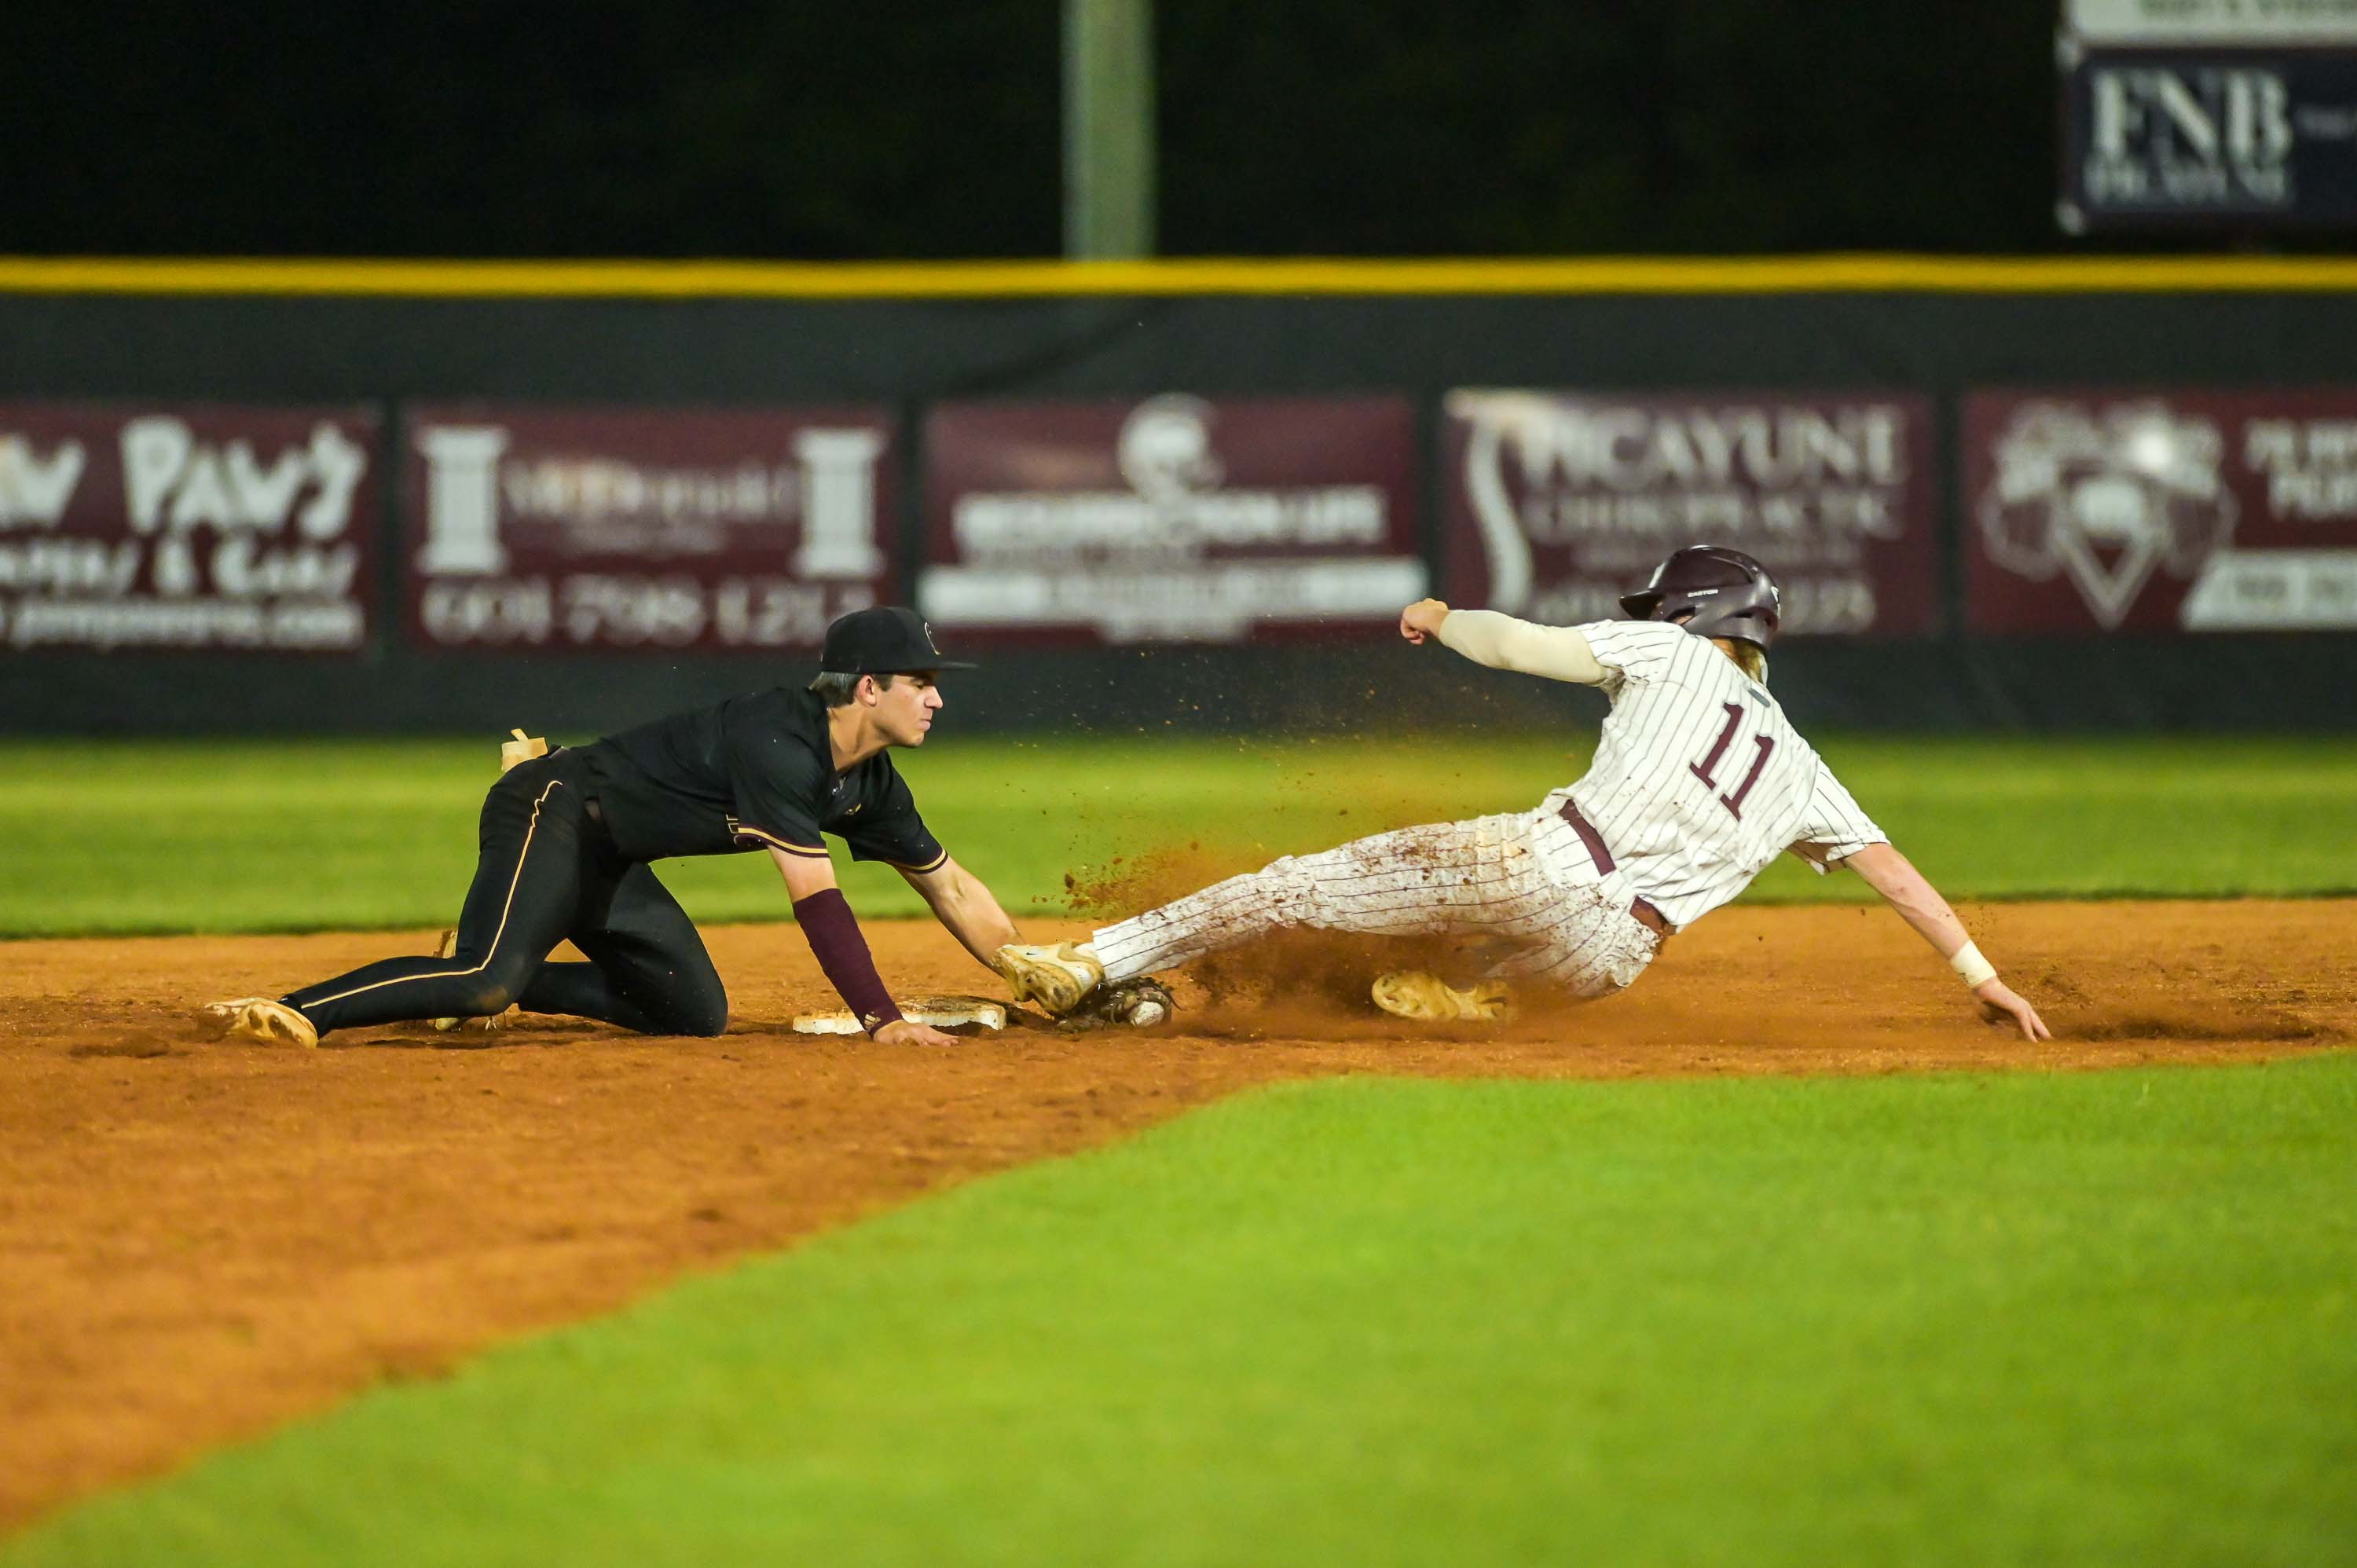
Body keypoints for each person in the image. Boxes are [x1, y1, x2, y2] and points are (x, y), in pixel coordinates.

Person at [994, 545, 2051, 1041]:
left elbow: (1523, 646)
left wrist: (1444, 617)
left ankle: (1095, 961)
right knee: (1421, 969)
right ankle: (1469, 995)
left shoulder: (1668, 653)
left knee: (1293, 888)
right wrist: (1980, 978)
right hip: (1616, 957)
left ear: (1694, 616)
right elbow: (1896, 875)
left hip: (1548, 864)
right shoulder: (1806, 769)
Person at [201, 606, 1022, 1050]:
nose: (938, 698)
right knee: (486, 980)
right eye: (923, 682)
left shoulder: (869, 781)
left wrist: (1027, 970)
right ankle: (300, 1009)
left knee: (691, 1012)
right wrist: (883, 1018)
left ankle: (495, 962)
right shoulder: (781, 742)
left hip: (614, 851)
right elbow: (816, 897)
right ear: (869, 687)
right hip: (552, 807)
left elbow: (949, 884)